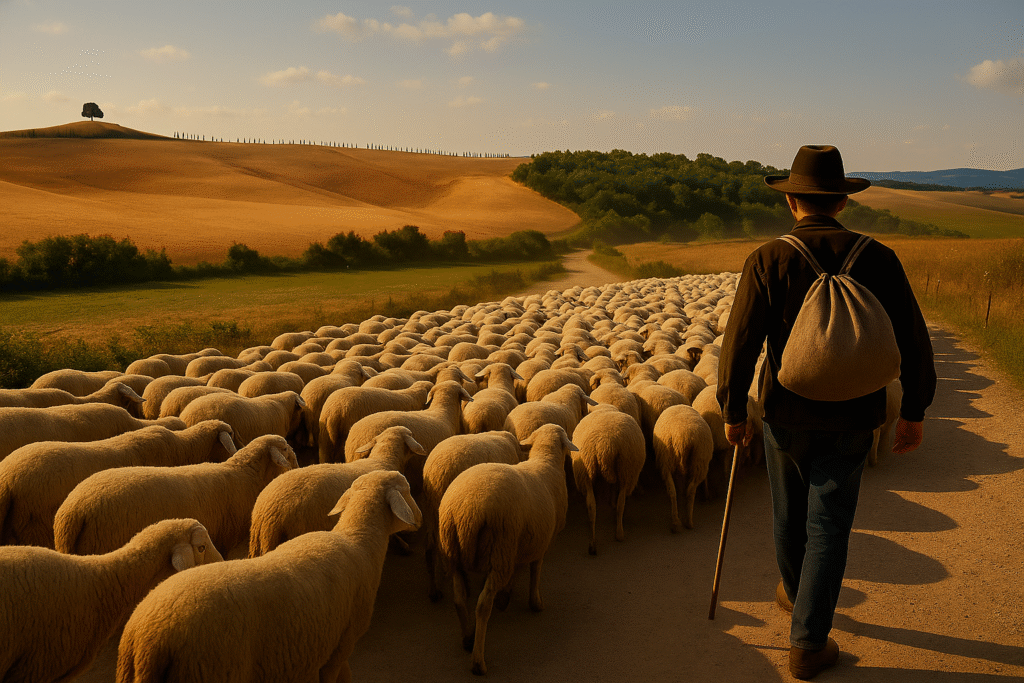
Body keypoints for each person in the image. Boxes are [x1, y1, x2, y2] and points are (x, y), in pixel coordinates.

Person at [716, 145, 937, 680]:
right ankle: (808, 628)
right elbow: (911, 336)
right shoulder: (878, 257)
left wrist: (732, 409)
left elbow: (739, 342)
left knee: (789, 516)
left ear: (792, 201)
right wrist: (913, 410)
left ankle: (803, 618)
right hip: (857, 413)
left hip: (785, 413)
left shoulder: (770, 258)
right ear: (842, 201)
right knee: (830, 523)